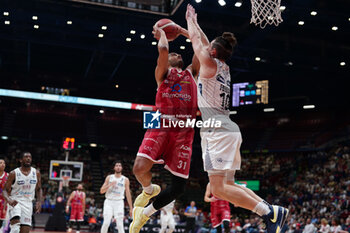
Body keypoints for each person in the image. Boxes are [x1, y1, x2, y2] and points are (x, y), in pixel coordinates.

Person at [185, 4, 288, 233]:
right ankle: (271, 210)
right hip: (229, 128)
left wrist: (189, 20)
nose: (205, 46)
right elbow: (202, 41)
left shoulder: (210, 64)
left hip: (216, 131)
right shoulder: (223, 67)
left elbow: (196, 40)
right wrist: (194, 26)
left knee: (218, 189)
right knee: (228, 185)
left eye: (209, 46)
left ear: (212, 52)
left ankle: (269, 212)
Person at [129, 21, 200, 233]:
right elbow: (162, 49)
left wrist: (182, 31)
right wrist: (162, 32)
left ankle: (145, 214)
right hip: (160, 123)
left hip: (184, 132)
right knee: (138, 168)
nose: (176, 53)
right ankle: (149, 189)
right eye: (172, 54)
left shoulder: (191, 74)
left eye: (178, 54)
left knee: (178, 188)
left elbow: (200, 47)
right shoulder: (162, 74)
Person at [3, 152, 42, 233]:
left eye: (30, 157)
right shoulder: (13, 173)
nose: (28, 158)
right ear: (21, 160)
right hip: (15, 201)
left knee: (24, 231)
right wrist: (9, 200)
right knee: (15, 228)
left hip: (28, 203)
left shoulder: (36, 173)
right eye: (26, 157)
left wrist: (39, 201)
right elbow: (5, 191)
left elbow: (38, 189)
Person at [99, 161, 133, 233]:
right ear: (114, 168)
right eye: (116, 165)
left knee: (120, 224)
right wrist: (109, 185)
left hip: (119, 202)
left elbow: (128, 194)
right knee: (106, 223)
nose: (118, 167)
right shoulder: (109, 177)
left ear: (122, 168)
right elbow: (101, 191)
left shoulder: (125, 179)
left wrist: (131, 208)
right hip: (109, 202)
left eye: (119, 166)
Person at [0, 158, 8, 228]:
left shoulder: (8, 176)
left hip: (4, 203)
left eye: (4, 163)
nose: (2, 164)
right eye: (0, 163)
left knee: (3, 225)